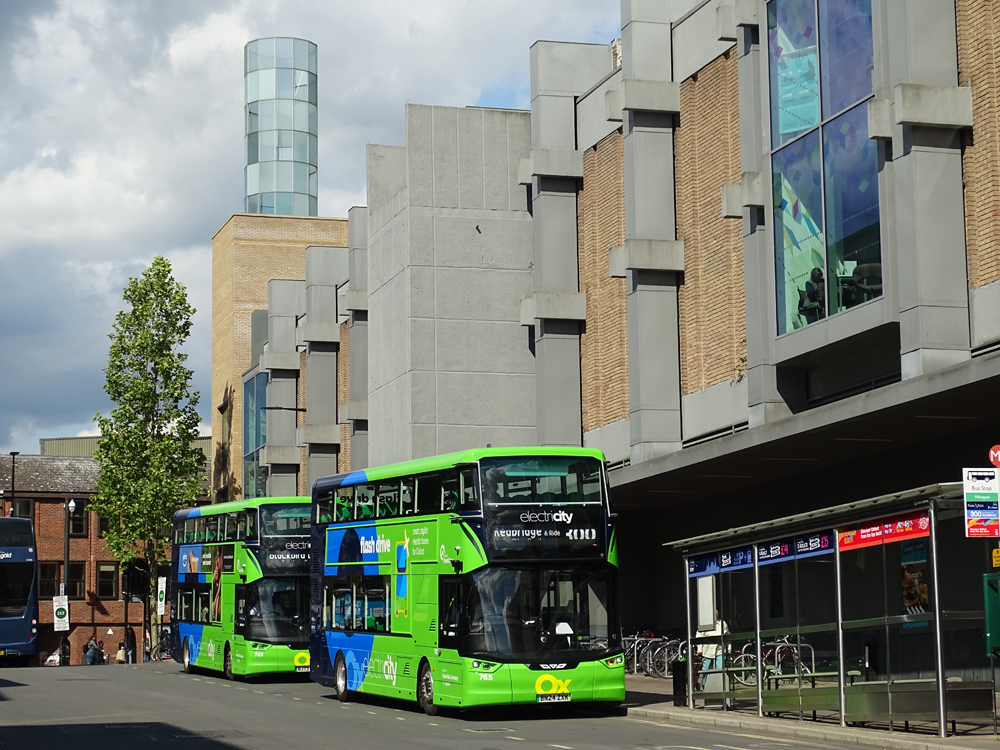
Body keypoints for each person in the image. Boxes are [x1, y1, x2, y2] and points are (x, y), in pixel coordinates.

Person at [698, 611, 729, 688]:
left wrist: (729, 646)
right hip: (708, 650)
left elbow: (727, 635)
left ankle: (720, 685)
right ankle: (705, 685)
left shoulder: (722, 623)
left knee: (720, 668)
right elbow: (699, 636)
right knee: (706, 669)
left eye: (717, 614)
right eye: (714, 614)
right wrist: (699, 649)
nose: (716, 615)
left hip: (720, 649)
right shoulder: (704, 624)